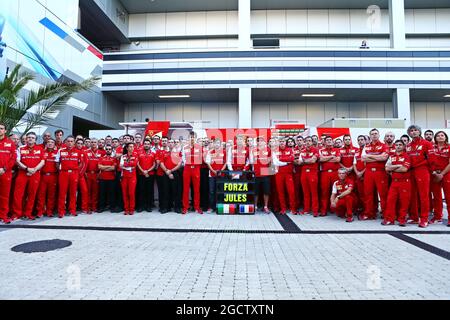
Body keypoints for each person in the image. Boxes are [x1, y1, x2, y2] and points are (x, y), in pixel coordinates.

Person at [13, 132, 45, 220]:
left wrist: (34, 169)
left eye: (33, 138)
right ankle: (17, 214)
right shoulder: (20, 148)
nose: (30, 139)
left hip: (35, 174)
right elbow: (17, 161)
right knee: (18, 194)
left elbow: (42, 161)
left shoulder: (40, 149)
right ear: (26, 139)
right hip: (22, 173)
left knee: (32, 195)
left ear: (35, 140)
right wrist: (27, 169)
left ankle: (28, 213)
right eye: (29, 137)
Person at [406, 124, 433, 228]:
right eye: (411, 131)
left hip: (422, 170)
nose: (413, 132)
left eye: (415, 130)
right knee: (412, 195)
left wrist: (418, 164)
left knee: (423, 195)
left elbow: (430, 159)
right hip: (410, 171)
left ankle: (424, 218)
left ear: (419, 132)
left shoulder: (426, 143)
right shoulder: (408, 145)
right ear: (409, 133)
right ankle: (414, 217)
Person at [361, 128, 389, 220]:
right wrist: (377, 157)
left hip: (380, 172)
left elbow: (384, 158)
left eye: (376, 133)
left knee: (383, 194)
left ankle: (385, 213)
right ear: (370, 136)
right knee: (368, 194)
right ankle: (369, 213)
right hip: (368, 172)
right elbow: (363, 159)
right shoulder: (366, 146)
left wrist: (369, 156)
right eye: (372, 134)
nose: (374, 135)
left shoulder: (384, 146)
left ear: (379, 135)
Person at [383, 140, 411, 226]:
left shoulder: (407, 156)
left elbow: (404, 169)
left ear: (403, 146)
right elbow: (387, 168)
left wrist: (393, 169)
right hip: (394, 183)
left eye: (400, 145)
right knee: (390, 201)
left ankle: (402, 219)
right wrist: (398, 165)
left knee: (404, 202)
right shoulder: (391, 156)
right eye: (397, 145)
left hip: (405, 183)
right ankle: (390, 219)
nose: (398, 146)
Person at [57, 136, 84, 218]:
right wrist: (61, 170)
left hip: (74, 173)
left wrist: (75, 170)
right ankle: (61, 211)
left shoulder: (78, 152)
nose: (70, 143)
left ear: (74, 143)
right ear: (65, 142)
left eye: (72, 141)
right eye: (68, 141)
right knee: (62, 193)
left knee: (73, 193)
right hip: (63, 174)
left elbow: (80, 163)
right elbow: (57, 162)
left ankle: (72, 210)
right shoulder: (61, 151)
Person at [428, 131, 450, 225]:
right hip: (434, 174)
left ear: (445, 137)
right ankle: (437, 217)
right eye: (438, 135)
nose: (440, 137)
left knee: (448, 197)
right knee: (437, 197)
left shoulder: (449, 147)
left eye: (442, 135)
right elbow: (429, 161)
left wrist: (442, 174)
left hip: (447, 173)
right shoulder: (431, 148)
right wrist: (434, 172)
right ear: (435, 138)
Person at [35, 138, 59, 218]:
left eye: (52, 142)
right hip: (43, 176)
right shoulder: (42, 152)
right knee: (41, 195)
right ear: (46, 143)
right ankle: (40, 211)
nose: (50, 143)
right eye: (48, 142)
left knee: (51, 195)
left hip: (53, 176)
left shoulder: (57, 153)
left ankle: (49, 211)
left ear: (54, 144)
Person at [273, 138, 297, 215]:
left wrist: (281, 160)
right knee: (280, 192)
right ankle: (283, 209)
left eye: (283, 141)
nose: (282, 143)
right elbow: (276, 162)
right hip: (279, 174)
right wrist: (287, 162)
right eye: (280, 141)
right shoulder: (275, 151)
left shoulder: (290, 149)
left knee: (291, 191)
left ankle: (293, 209)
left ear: (285, 142)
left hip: (288, 174)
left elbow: (292, 158)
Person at [319, 136, 341, 216]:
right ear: (324, 142)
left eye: (330, 140)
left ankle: (336, 209)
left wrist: (326, 159)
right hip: (325, 173)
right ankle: (324, 210)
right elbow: (320, 160)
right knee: (324, 192)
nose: (329, 141)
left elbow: (338, 160)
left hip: (335, 173)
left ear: (333, 142)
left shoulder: (337, 150)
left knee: (337, 191)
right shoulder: (321, 150)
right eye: (327, 140)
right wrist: (331, 157)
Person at [182, 132, 203, 214]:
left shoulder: (199, 147)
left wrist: (195, 164)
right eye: (190, 137)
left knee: (196, 189)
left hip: (196, 169)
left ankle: (197, 207)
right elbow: (183, 158)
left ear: (196, 138)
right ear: (188, 138)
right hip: (187, 169)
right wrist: (188, 163)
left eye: (193, 137)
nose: (192, 138)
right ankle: (185, 207)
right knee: (185, 189)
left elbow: (201, 158)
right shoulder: (185, 147)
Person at [0, 122, 17, 224]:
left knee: (4, 196)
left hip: (5, 173)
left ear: (5, 131)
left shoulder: (10, 143)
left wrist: (4, 168)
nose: (0, 130)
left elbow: (13, 158)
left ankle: (3, 216)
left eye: (1, 128)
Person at [160, 139, 183, 213]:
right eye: (169, 142)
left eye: (172, 142)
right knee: (165, 191)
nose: (170, 144)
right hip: (166, 173)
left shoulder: (178, 153)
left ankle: (177, 207)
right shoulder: (164, 153)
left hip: (175, 173)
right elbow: (161, 163)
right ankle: (166, 207)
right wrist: (167, 171)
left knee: (177, 191)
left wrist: (171, 171)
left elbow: (179, 164)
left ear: (174, 144)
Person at [249, 137, 272, 214]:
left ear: (264, 142)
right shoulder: (253, 150)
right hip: (256, 173)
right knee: (256, 192)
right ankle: (255, 206)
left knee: (266, 191)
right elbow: (251, 162)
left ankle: (265, 207)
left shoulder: (268, 150)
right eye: (258, 141)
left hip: (265, 173)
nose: (260, 142)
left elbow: (270, 161)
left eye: (261, 141)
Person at [299, 136, 320, 216]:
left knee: (314, 192)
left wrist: (304, 161)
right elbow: (299, 162)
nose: (308, 142)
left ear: (312, 142)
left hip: (312, 172)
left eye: (309, 141)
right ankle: (306, 209)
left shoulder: (316, 150)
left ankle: (315, 210)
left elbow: (313, 160)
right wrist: (308, 161)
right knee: (305, 193)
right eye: (306, 141)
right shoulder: (302, 151)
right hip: (303, 173)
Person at [205, 138, 227, 213]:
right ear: (214, 144)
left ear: (220, 144)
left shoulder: (224, 152)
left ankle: (220, 206)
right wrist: (213, 171)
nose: (217, 144)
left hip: (221, 174)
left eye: (218, 143)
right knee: (211, 191)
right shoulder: (210, 152)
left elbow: (226, 163)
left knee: (221, 191)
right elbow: (208, 163)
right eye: (216, 143)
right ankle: (211, 207)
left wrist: (221, 171)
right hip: (212, 174)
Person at [136, 139, 156, 213]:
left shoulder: (153, 153)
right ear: (143, 144)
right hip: (141, 174)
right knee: (141, 191)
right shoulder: (139, 153)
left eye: (148, 144)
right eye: (145, 144)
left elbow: (154, 164)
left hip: (150, 175)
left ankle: (149, 206)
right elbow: (137, 163)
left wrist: (147, 171)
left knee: (149, 191)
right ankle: (141, 206)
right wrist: (143, 171)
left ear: (150, 145)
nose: (146, 145)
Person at [84, 138, 103, 214]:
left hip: (97, 174)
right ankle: (88, 207)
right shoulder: (86, 152)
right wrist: (84, 172)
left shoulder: (101, 152)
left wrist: (100, 173)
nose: (93, 143)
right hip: (88, 174)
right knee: (88, 191)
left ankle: (94, 207)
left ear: (97, 143)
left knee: (95, 191)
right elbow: (83, 163)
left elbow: (103, 163)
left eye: (95, 142)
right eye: (92, 142)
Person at [97, 145, 117, 213]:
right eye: (107, 149)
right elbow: (99, 167)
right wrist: (109, 167)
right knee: (102, 194)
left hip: (111, 178)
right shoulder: (101, 158)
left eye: (109, 149)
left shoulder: (114, 158)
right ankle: (101, 207)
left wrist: (104, 167)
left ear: (111, 150)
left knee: (112, 194)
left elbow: (113, 168)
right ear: (105, 150)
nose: (108, 150)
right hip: (102, 178)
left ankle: (112, 207)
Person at [120, 142, 138, 215]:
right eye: (130, 147)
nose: (132, 148)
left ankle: (131, 209)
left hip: (132, 177)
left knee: (131, 193)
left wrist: (125, 165)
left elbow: (134, 164)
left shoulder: (136, 155)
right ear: (127, 148)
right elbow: (120, 166)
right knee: (125, 193)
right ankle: (126, 209)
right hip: (124, 177)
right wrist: (128, 165)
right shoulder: (123, 156)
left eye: (133, 147)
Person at [353, 135, 367, 214]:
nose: (360, 141)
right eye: (359, 140)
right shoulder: (357, 151)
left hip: (366, 175)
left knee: (367, 194)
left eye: (362, 139)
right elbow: (354, 163)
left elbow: (369, 163)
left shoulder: (368, 150)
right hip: (358, 175)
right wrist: (357, 173)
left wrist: (362, 172)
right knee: (360, 194)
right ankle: (363, 209)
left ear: (365, 141)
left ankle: (369, 211)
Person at [75, 138, 89, 214]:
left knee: (84, 191)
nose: (79, 145)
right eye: (78, 143)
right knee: (73, 192)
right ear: (75, 144)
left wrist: (80, 174)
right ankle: (72, 208)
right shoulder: (73, 151)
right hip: (72, 175)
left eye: (81, 143)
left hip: (81, 176)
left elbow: (85, 164)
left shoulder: (84, 153)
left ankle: (84, 208)